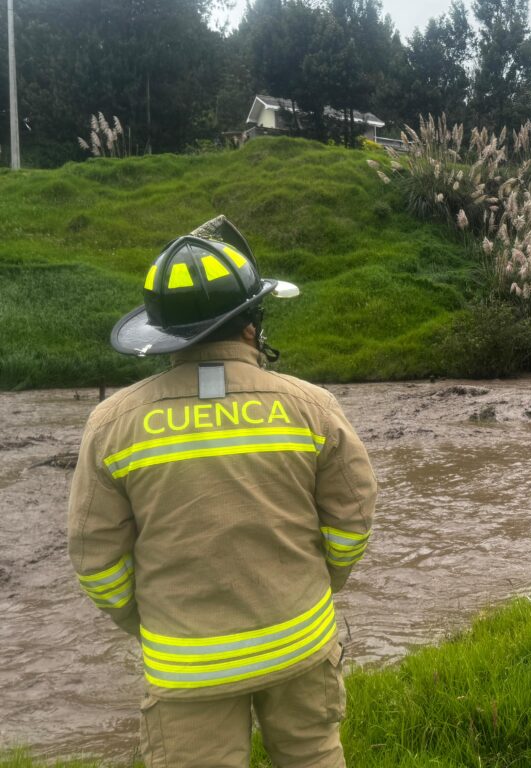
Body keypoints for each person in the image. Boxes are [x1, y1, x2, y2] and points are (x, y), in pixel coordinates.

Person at [68, 217, 377, 768]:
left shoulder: (111, 424)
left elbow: (95, 561)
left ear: (164, 335)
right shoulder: (312, 408)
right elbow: (352, 521)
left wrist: (149, 621)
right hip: (301, 645)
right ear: (251, 327)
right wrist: (317, 583)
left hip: (187, 665)